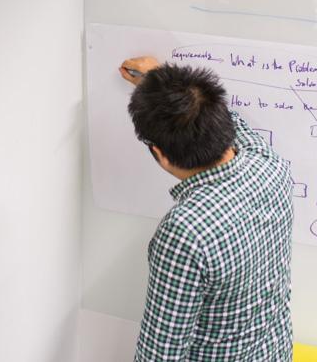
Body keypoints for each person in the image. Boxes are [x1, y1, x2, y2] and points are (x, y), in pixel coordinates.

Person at [119, 56, 294, 362]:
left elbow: (161, 353)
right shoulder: (271, 167)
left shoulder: (185, 231)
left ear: (160, 154)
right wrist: (168, 85)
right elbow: (234, 125)